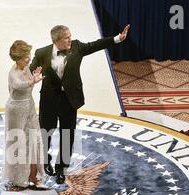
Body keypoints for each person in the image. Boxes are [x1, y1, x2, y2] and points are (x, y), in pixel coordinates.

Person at [30, 24, 130, 184]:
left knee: (67, 134)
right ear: (56, 40)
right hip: (49, 100)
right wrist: (32, 76)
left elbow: (95, 45)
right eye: (66, 37)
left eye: (70, 36)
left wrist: (118, 38)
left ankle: (61, 168)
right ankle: (45, 160)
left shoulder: (76, 47)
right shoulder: (41, 53)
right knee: (45, 133)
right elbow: (31, 70)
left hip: (69, 100)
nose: (70, 39)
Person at [3, 40, 46, 191]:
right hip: (16, 110)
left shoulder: (26, 68)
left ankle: (33, 175)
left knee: (35, 140)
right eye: (25, 57)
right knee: (19, 144)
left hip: (29, 107)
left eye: (28, 56)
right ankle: (19, 178)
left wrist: (34, 78)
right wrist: (32, 81)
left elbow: (28, 84)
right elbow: (19, 85)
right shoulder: (12, 73)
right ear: (17, 58)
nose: (28, 59)